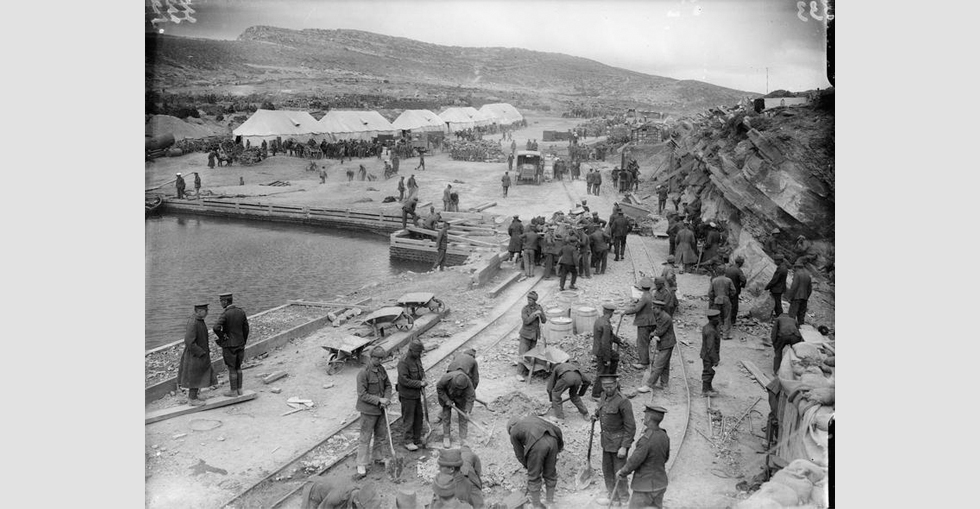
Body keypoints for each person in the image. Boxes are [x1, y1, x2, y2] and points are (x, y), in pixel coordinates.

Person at [617, 404, 670, 509]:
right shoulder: (664, 435)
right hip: (660, 484)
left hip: (644, 487)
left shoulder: (646, 440)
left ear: (649, 418)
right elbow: (666, 458)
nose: (644, 417)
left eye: (645, 415)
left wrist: (622, 472)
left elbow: (634, 461)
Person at [594, 373, 635, 505]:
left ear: (616, 384)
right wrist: (596, 415)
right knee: (607, 470)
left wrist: (624, 446)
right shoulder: (603, 396)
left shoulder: (623, 401)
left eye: (610, 386)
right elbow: (602, 409)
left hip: (618, 443)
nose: (608, 389)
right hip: (606, 441)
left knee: (620, 472)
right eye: (605, 386)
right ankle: (613, 497)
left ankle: (624, 499)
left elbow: (630, 427)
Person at [508, 415, 564, 508]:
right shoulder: (533, 418)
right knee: (550, 474)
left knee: (534, 478)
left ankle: (536, 506)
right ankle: (550, 503)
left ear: (510, 427)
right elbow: (557, 429)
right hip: (553, 440)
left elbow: (520, 454)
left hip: (537, 445)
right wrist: (559, 447)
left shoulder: (513, 432)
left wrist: (529, 466)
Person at [355, 346, 392, 477]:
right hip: (368, 411)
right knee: (365, 438)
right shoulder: (363, 372)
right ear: (371, 357)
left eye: (381, 359)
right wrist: (378, 400)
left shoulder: (382, 370)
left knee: (381, 435)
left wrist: (386, 398)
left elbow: (388, 385)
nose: (380, 361)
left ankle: (378, 457)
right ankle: (361, 465)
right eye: (377, 358)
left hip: (381, 410)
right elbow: (362, 394)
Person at [178, 303, 217, 406]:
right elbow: (189, 341)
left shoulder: (198, 321)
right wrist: (200, 352)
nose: (207, 312)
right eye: (205, 310)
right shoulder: (194, 322)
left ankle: (195, 396)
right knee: (194, 376)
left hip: (199, 354)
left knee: (198, 375)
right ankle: (192, 399)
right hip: (195, 355)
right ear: (199, 311)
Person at [212, 292, 249, 397]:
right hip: (240, 343)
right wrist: (243, 340)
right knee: (238, 367)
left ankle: (233, 391)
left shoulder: (225, 314)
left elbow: (215, 327)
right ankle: (240, 389)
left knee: (231, 368)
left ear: (225, 301)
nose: (220, 303)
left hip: (229, 346)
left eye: (221, 301)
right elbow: (246, 328)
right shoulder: (241, 312)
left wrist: (223, 336)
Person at [397, 340, 427, 451]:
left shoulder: (416, 358)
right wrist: (419, 383)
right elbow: (404, 380)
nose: (419, 354)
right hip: (407, 395)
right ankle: (408, 441)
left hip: (416, 394)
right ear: (411, 350)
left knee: (419, 416)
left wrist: (423, 378)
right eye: (418, 352)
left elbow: (421, 370)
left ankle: (417, 438)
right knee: (409, 418)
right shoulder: (403, 362)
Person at [622, 277, 656, 370]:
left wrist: (626, 311)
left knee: (642, 342)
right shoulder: (650, 295)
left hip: (644, 322)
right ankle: (645, 359)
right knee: (645, 341)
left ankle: (644, 362)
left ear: (641, 287)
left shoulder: (645, 297)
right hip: (651, 321)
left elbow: (637, 309)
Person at [592, 303, 624, 397]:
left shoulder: (599, 320)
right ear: (611, 313)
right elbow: (605, 343)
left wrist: (618, 341)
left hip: (599, 349)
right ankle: (596, 394)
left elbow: (609, 336)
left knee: (615, 357)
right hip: (602, 351)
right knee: (602, 372)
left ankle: (610, 379)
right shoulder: (606, 324)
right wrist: (607, 359)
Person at [437, 370, 475, 448]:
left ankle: (463, 438)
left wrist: (468, 411)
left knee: (463, 417)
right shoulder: (446, 378)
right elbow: (439, 388)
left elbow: (470, 397)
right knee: (446, 416)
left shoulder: (467, 383)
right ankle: (446, 437)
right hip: (447, 395)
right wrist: (446, 400)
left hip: (460, 397)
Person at [644, 300, 676, 392]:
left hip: (667, 343)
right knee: (665, 364)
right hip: (665, 343)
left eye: (654, 308)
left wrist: (652, 334)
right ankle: (664, 383)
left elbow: (660, 331)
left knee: (658, 365)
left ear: (659, 308)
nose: (653, 310)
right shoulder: (659, 315)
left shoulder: (665, 318)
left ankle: (649, 384)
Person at [300, 477, 379, 509]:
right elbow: (323, 507)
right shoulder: (338, 497)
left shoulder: (358, 492)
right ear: (356, 501)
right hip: (314, 490)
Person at [518, 292, 546, 376]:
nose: (528, 301)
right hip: (525, 335)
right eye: (528, 299)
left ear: (534, 300)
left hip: (534, 336)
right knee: (522, 354)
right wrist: (534, 314)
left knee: (530, 355)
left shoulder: (539, 308)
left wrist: (540, 314)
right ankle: (519, 373)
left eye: (530, 300)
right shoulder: (525, 309)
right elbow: (526, 321)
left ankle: (527, 371)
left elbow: (544, 321)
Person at [708, 266, 736, 340]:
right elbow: (733, 291)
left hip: (717, 299)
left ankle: (717, 332)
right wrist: (729, 296)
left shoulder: (714, 280)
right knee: (727, 317)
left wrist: (713, 298)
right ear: (725, 272)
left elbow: (710, 292)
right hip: (726, 299)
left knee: (717, 317)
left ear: (717, 272)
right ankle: (725, 334)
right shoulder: (728, 280)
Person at [701, 309, 722, 396]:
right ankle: (705, 390)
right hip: (708, 355)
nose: (719, 319)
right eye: (717, 318)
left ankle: (709, 387)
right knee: (708, 371)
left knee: (709, 371)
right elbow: (710, 347)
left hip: (706, 353)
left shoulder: (708, 327)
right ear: (712, 319)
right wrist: (715, 359)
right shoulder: (711, 331)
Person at [787, 261, 813, 326]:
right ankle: (801, 329)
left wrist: (790, 297)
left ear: (797, 267)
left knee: (792, 314)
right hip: (804, 298)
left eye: (794, 268)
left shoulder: (797, 274)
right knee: (801, 316)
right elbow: (810, 289)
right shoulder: (808, 275)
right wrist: (806, 297)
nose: (794, 270)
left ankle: (790, 328)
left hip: (796, 297)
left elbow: (794, 286)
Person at [725, 256, 747, 326]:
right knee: (734, 306)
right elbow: (743, 280)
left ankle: (725, 318)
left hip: (727, 290)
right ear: (741, 263)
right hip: (735, 290)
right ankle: (732, 320)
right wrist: (742, 286)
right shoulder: (738, 271)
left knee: (726, 305)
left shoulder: (728, 269)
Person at [765, 254, 789, 319]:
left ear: (779, 261)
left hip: (777, 289)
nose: (774, 262)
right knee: (777, 303)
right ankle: (779, 316)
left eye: (775, 260)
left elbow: (774, 280)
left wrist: (767, 287)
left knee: (777, 304)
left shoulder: (780, 269)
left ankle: (780, 317)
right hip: (780, 288)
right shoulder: (784, 267)